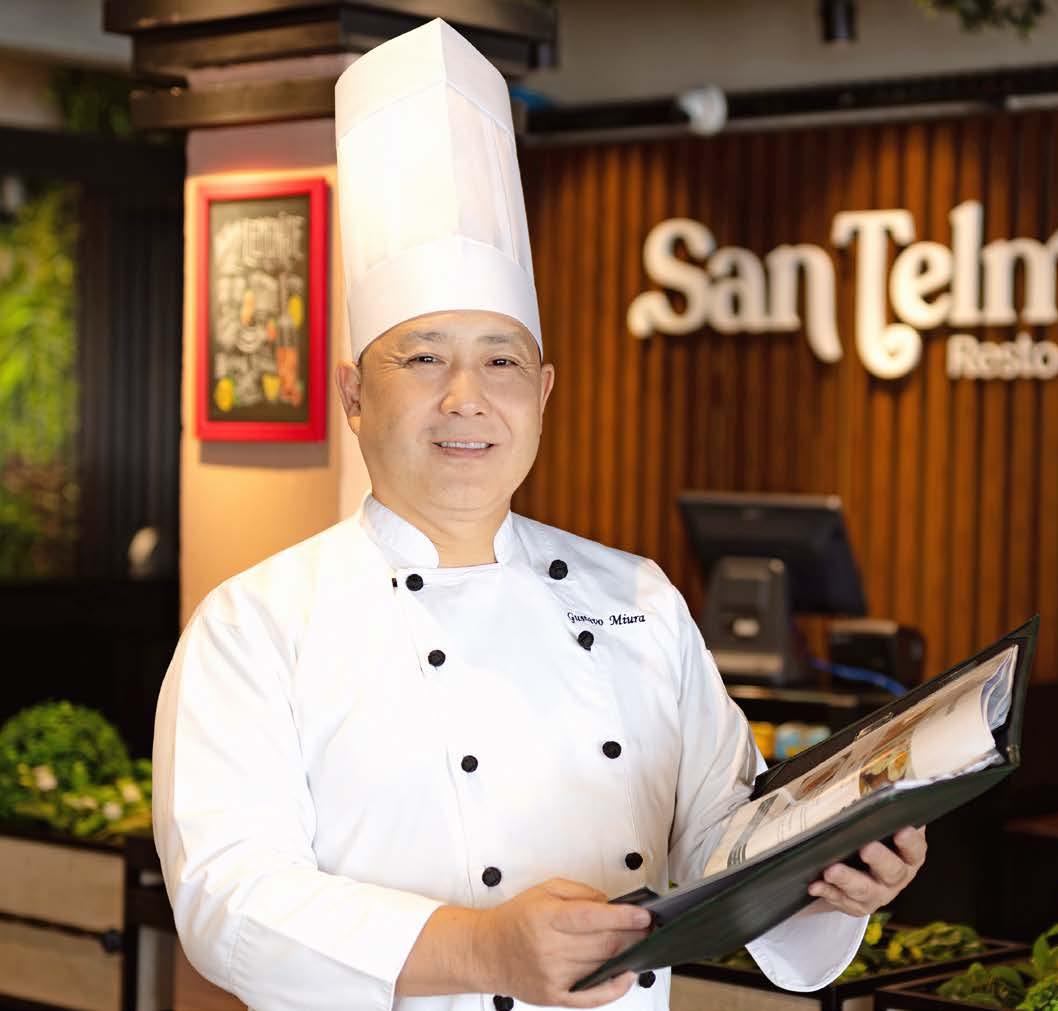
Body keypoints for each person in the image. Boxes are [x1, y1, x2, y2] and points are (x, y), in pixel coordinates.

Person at [153, 19, 926, 1011]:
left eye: (501, 360)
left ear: (544, 392)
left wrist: (831, 876)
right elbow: (228, 900)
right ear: (353, 394)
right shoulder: (256, 623)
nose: (466, 397)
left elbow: (720, 840)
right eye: (422, 357)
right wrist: (480, 950)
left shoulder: (640, 597)